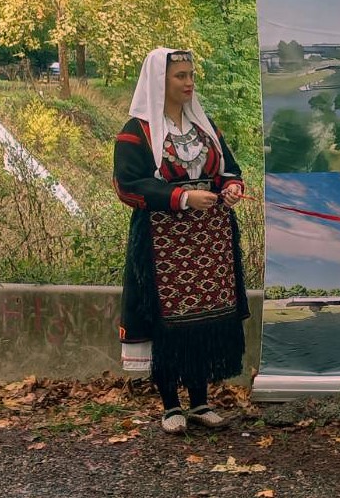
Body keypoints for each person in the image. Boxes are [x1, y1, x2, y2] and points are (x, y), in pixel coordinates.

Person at [113, 47, 249, 434]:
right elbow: (128, 186)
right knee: (168, 319)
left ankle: (201, 401)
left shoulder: (205, 128)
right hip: (163, 243)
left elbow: (228, 169)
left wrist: (232, 188)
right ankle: (171, 405)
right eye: (180, 76)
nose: (189, 83)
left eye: (191, 75)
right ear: (160, 81)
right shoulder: (136, 132)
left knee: (203, 319)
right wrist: (183, 197)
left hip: (209, 241)